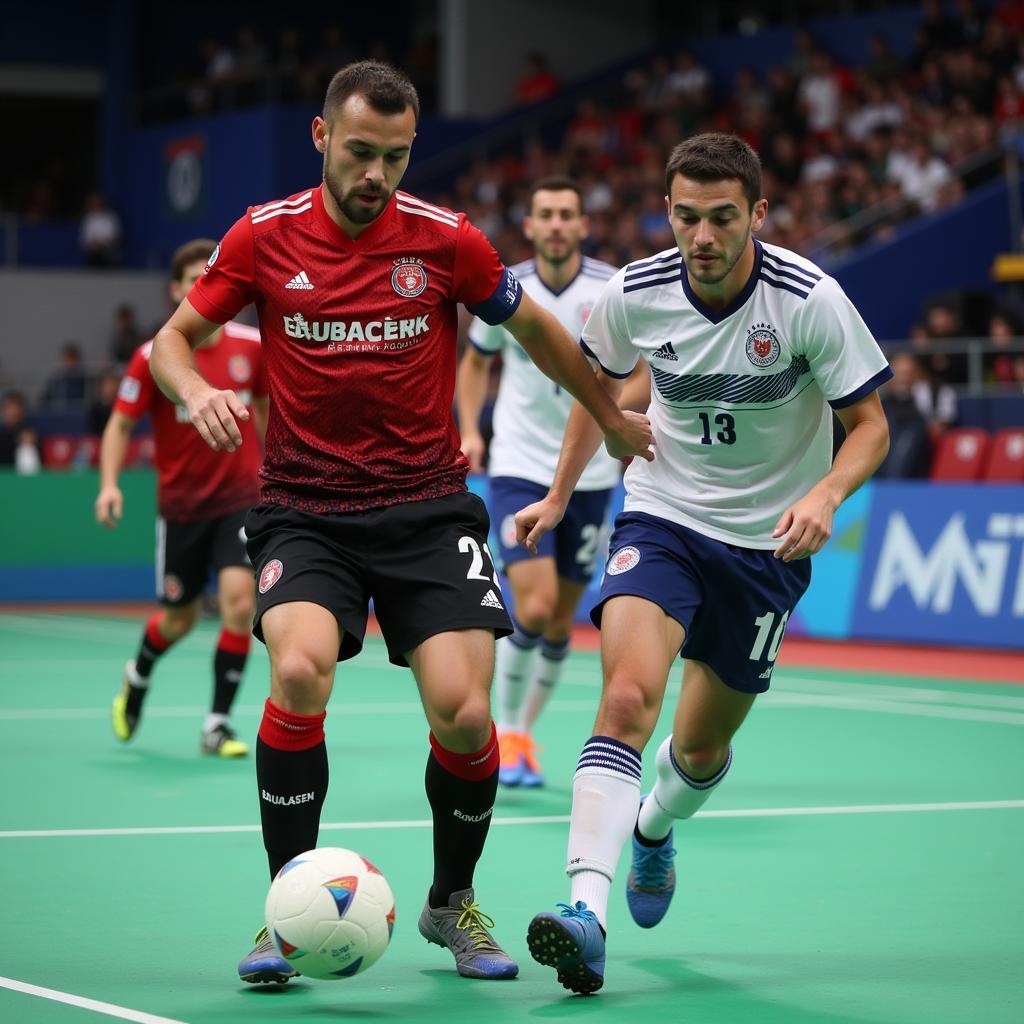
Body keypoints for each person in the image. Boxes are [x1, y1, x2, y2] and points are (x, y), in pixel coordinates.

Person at [146, 61, 653, 987]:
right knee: (297, 671)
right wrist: (193, 391)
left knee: (464, 715)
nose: (376, 173)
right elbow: (171, 340)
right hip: (305, 511)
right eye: (360, 151)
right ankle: (286, 911)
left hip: (426, 509)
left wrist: (611, 411)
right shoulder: (262, 236)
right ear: (321, 137)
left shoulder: (446, 240)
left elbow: (538, 331)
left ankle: (450, 902)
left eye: (396, 155)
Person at [515, 133, 891, 994]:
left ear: (757, 214)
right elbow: (596, 391)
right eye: (686, 216)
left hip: (767, 546)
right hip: (664, 514)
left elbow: (870, 425)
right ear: (668, 212)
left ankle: (654, 828)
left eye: (723, 217)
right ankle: (585, 911)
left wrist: (827, 495)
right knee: (623, 699)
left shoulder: (809, 301)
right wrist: (564, 492)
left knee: (699, 747)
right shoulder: (634, 292)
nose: (703, 235)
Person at [458, 176, 624, 788]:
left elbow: (637, 372)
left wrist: (615, 420)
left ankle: (524, 731)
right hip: (521, 465)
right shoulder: (507, 287)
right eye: (545, 215)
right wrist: (471, 430)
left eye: (567, 215)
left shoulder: (613, 290)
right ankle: (505, 734)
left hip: (593, 471)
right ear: (529, 226)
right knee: (529, 602)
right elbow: (474, 363)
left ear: (583, 225)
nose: (556, 225)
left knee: (558, 619)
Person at [96, 238, 268, 759]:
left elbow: (265, 413)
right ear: (176, 290)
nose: (204, 288)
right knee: (179, 620)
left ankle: (217, 724)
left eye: (211, 278)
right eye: (193, 279)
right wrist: (109, 484)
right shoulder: (153, 356)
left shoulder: (251, 346)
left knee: (241, 605)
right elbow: (120, 424)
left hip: (242, 497)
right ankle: (138, 672)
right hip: (182, 508)